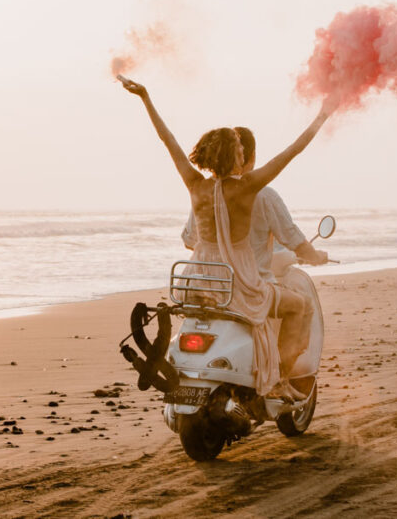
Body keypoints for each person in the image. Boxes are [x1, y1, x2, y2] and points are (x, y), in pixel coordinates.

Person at [120, 76, 330, 400]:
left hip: (198, 282)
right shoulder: (248, 188)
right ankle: (281, 379)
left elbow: (168, 140)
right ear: (232, 155)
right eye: (239, 148)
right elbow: (293, 151)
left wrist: (145, 97)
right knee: (298, 306)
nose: (243, 151)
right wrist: (322, 115)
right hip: (240, 285)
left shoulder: (195, 185)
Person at [180, 127, 327, 378]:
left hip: (205, 284)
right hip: (250, 286)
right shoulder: (260, 192)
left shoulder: (202, 192)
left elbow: (190, 240)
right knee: (302, 306)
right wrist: (315, 256)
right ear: (248, 157)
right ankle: (280, 376)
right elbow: (293, 239)